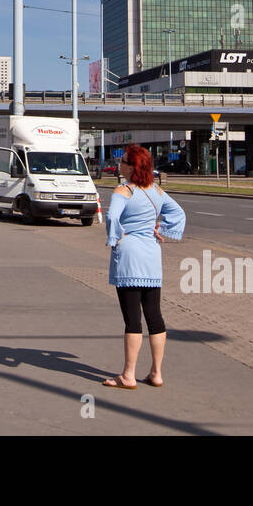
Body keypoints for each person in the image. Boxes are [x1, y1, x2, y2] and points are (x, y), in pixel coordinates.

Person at [101, 144, 186, 390]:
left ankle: (128, 375)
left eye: (123, 161)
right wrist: (162, 228)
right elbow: (178, 213)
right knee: (155, 316)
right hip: (151, 256)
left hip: (129, 257)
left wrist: (116, 237)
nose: (120, 164)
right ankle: (156, 373)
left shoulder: (123, 191)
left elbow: (111, 217)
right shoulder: (156, 190)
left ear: (132, 166)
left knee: (132, 319)